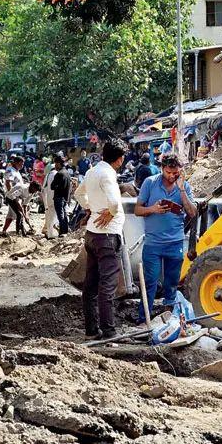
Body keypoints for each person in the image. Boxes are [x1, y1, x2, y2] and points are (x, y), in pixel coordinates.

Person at [134, 154, 198, 316]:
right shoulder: (150, 183)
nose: (171, 176)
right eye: (168, 172)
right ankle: (144, 317)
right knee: (150, 283)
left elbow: (192, 213)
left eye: (175, 173)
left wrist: (182, 189)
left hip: (175, 243)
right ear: (162, 168)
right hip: (153, 244)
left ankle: (169, 315)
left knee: (172, 283)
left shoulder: (184, 186)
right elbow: (137, 210)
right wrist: (152, 209)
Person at [76, 140, 126, 338]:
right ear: (120, 159)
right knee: (107, 286)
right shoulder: (107, 174)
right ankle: (108, 331)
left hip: (92, 235)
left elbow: (79, 194)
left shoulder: (92, 172)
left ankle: (91, 329)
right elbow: (114, 202)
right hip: (108, 235)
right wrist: (110, 213)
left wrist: (90, 208)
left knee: (90, 286)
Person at [2, 155, 29, 236]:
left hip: (17, 195)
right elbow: (8, 183)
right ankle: (19, 232)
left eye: (23, 164)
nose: (22, 166)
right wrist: (12, 195)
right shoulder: (11, 170)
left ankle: (4, 231)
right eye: (21, 164)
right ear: (16, 163)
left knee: (11, 215)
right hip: (13, 196)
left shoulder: (16, 171)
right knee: (19, 214)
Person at [49, 155, 71, 234]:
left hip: (58, 197)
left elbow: (52, 186)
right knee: (64, 215)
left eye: (55, 164)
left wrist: (56, 186)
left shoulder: (59, 174)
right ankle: (65, 231)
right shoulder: (67, 173)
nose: (55, 166)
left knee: (60, 216)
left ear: (59, 163)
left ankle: (62, 232)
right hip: (65, 198)